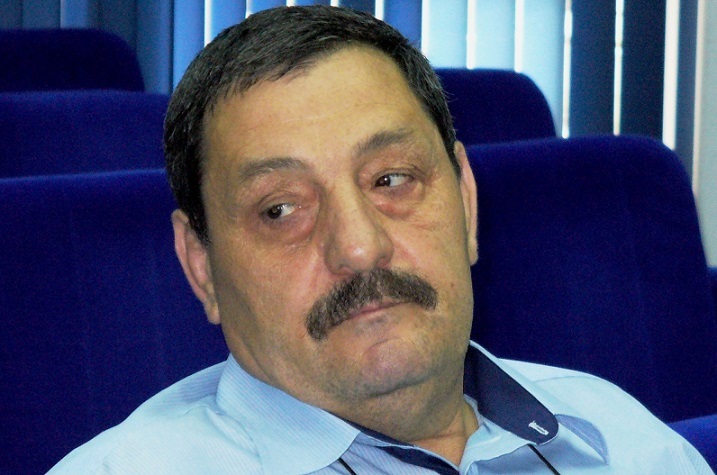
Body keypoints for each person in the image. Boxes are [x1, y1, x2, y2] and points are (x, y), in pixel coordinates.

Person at [49, 5, 712, 474]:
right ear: (201, 267)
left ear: (465, 203)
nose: (360, 247)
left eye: (391, 179)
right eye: (281, 209)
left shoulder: (621, 437)